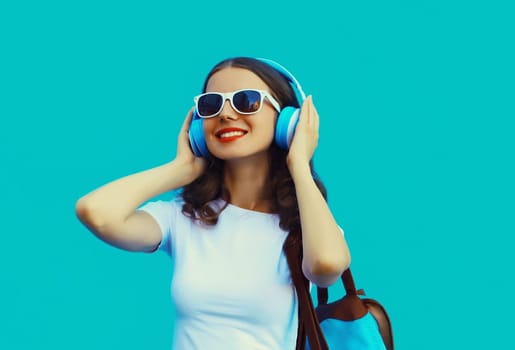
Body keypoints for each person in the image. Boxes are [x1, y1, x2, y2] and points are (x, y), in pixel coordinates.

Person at [75, 57, 351, 349]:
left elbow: (326, 266)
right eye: (212, 104)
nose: (226, 114)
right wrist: (180, 169)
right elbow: (96, 212)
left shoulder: (308, 223)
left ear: (287, 120)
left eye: (247, 101)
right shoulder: (183, 217)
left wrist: (299, 164)